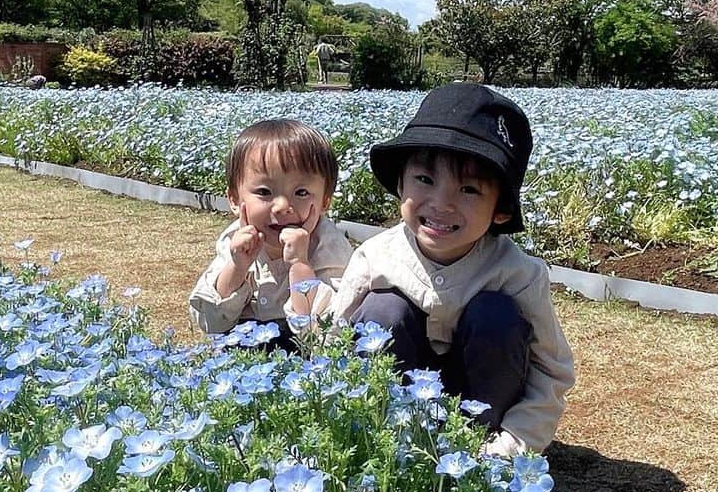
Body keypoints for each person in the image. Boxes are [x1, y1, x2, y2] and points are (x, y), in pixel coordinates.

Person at [331, 84, 574, 456]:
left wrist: (513, 445)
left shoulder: (520, 273)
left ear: (501, 210)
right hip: (396, 411)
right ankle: (392, 440)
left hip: (483, 417)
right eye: (425, 180)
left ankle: (475, 446)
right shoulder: (374, 256)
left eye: (469, 190)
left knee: (496, 315)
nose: (441, 203)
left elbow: (551, 370)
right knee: (382, 312)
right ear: (400, 184)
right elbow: (334, 343)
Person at [189, 118, 352, 343]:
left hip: (301, 355)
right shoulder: (236, 240)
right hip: (242, 351)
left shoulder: (329, 247)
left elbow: (324, 332)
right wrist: (237, 267)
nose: (283, 206)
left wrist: (300, 264)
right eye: (265, 192)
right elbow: (211, 322)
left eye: (302, 192)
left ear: (325, 201)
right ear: (235, 199)